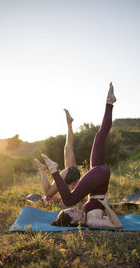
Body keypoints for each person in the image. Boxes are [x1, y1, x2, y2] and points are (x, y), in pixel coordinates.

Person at [41, 83, 122, 228]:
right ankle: (53, 170)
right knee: (68, 200)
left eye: (71, 210)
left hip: (99, 177)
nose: (73, 209)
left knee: (100, 136)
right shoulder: (91, 221)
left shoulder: (86, 216)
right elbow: (117, 225)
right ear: (73, 221)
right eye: (71, 212)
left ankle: (109, 102)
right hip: (99, 177)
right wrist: (107, 206)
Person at [34, 109, 81, 203]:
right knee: (68, 148)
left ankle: (42, 169)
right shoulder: (74, 197)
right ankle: (42, 169)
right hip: (72, 177)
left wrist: (54, 200)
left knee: (68, 147)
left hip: (73, 175)